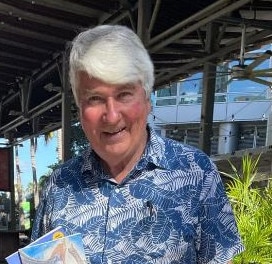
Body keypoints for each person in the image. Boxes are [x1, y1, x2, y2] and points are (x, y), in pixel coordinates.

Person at [31, 25, 244, 263]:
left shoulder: (196, 172)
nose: (111, 116)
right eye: (95, 98)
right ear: (80, 110)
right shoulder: (60, 184)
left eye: (124, 94)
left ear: (147, 99)